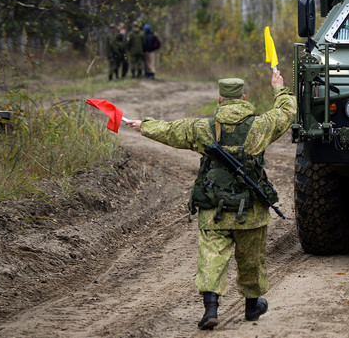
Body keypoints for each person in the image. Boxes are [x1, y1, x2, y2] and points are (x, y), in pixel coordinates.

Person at [125, 73, 296, 330]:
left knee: (211, 257)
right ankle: (252, 307)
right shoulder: (262, 125)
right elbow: (287, 112)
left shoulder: (202, 128)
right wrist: (279, 88)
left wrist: (143, 125)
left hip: (214, 209)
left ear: (219, 99)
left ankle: (211, 310)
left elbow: (171, 131)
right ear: (244, 98)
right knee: (251, 259)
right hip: (250, 210)